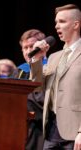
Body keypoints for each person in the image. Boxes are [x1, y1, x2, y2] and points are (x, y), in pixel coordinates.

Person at [30, 4, 81, 150]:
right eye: (56, 22)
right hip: (52, 130)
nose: (57, 26)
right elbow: (38, 86)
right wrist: (37, 60)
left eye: (62, 22)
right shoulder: (54, 57)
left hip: (75, 133)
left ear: (76, 24)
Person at [11, 29, 47, 150]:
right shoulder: (19, 71)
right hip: (20, 128)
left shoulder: (50, 67)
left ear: (43, 46)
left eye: (31, 46)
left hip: (43, 129)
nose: (28, 51)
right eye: (25, 48)